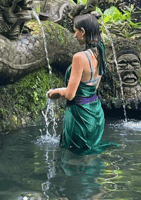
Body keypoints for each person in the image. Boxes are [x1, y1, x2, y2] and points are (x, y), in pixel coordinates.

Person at [47, 13, 117, 155]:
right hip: (95, 114)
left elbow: (70, 94)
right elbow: (93, 86)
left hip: (80, 117)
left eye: (75, 31)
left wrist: (56, 92)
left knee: (74, 161)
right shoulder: (101, 52)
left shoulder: (79, 57)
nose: (74, 35)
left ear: (83, 32)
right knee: (90, 158)